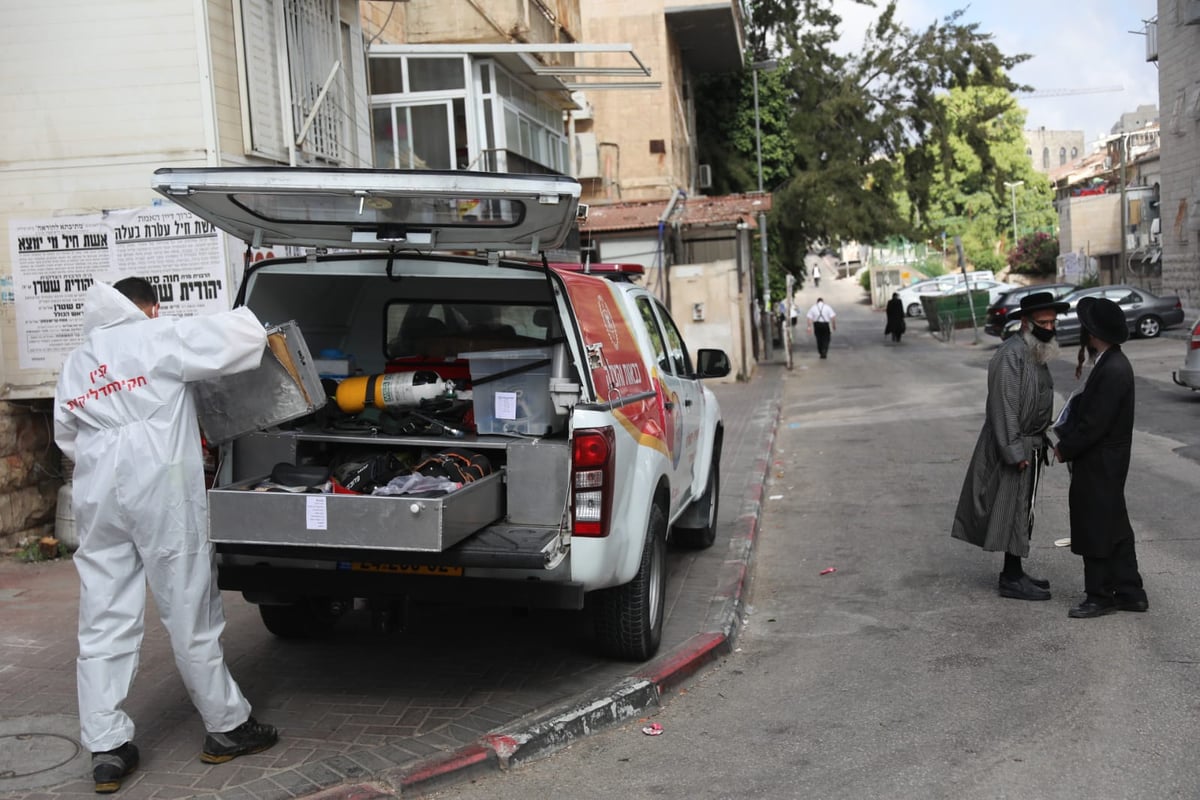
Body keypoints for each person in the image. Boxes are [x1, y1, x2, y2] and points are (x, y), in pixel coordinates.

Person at [54, 278, 279, 793]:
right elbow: (244, 337)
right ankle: (227, 727)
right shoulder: (155, 337)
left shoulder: (77, 361)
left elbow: (67, 434)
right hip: (160, 489)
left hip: (97, 493)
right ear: (149, 307)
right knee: (188, 607)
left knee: (104, 614)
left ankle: (107, 747)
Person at [951, 291, 1068, 601]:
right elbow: (1004, 407)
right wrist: (1015, 452)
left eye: (1053, 321)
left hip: (1029, 444)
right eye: (1043, 322)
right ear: (1026, 323)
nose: (1049, 326)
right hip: (1013, 447)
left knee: (1021, 512)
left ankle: (1014, 571)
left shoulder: (1035, 351)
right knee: (1010, 512)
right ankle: (1011, 578)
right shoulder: (1010, 355)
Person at [1053, 297, 1148, 619]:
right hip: (1108, 459)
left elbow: (1095, 423)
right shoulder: (1112, 362)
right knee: (1115, 525)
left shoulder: (1114, 368)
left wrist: (1065, 448)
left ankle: (1100, 595)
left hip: (1101, 460)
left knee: (1093, 524)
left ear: (1093, 333)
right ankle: (1131, 591)